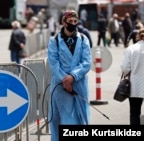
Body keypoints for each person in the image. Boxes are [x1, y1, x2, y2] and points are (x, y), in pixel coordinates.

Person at [47, 10, 92, 141]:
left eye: (75, 21)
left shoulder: (83, 39)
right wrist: (64, 79)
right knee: (62, 117)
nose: (73, 23)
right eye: (70, 21)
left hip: (79, 83)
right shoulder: (54, 41)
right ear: (63, 22)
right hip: (60, 85)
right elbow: (53, 63)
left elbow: (86, 62)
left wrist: (73, 76)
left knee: (81, 115)